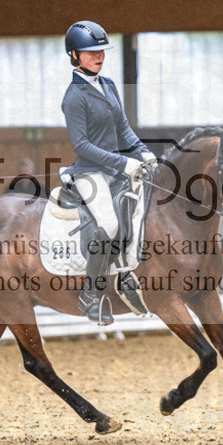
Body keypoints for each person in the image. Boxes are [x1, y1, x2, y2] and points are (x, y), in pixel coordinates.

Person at [61, 20, 155, 325]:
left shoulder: (109, 85)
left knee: (141, 209)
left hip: (115, 169)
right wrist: (122, 163)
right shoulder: (74, 98)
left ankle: (126, 275)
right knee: (110, 224)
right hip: (89, 172)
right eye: (91, 52)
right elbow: (83, 145)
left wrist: (142, 151)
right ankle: (91, 295)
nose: (99, 56)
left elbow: (123, 128)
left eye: (101, 51)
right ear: (75, 55)